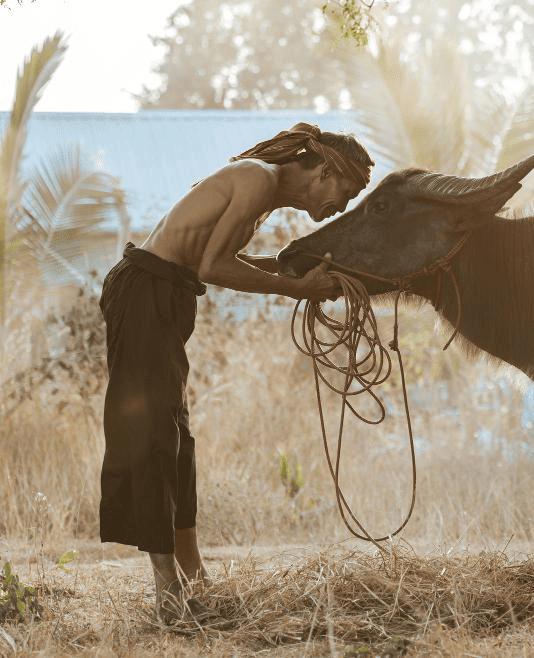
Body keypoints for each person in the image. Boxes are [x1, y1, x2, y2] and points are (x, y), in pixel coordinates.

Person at [98, 122, 374, 624]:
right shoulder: (257, 178)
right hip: (145, 292)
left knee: (177, 439)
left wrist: (289, 266)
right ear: (325, 171)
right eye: (347, 193)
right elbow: (213, 267)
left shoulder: (263, 192)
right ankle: (167, 588)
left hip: (166, 295)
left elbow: (214, 255)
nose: (342, 206)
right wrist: (297, 289)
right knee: (153, 434)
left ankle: (194, 575)